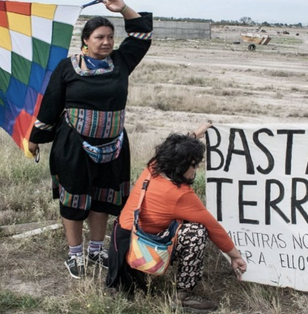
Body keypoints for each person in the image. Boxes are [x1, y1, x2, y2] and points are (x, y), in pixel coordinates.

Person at [28, 0, 152, 279]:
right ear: (86, 40)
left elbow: (142, 35)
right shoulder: (67, 67)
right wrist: (35, 137)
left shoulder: (121, 62)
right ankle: (75, 255)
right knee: (74, 201)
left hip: (114, 146)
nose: (107, 42)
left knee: (103, 199)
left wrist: (122, 8)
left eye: (110, 36)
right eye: (99, 37)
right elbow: (50, 104)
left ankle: (96, 249)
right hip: (74, 147)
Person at [106, 122, 247, 313]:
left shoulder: (154, 166)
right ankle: (183, 296)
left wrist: (197, 133)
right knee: (197, 232)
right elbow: (213, 227)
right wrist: (235, 256)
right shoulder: (179, 194)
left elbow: (174, 150)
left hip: (122, 244)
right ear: (181, 166)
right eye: (194, 165)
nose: (195, 170)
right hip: (141, 253)